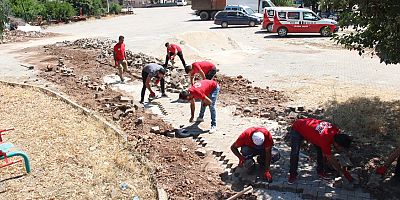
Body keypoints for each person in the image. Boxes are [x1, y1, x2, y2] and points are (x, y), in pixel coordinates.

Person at [288, 118, 354, 184]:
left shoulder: (336, 131)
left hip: (311, 131)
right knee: (295, 153)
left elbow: (327, 153)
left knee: (321, 151)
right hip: (297, 128)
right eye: (340, 147)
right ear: (336, 143)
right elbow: (330, 157)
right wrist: (341, 171)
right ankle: (292, 175)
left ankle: (320, 171)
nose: (340, 149)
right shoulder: (325, 140)